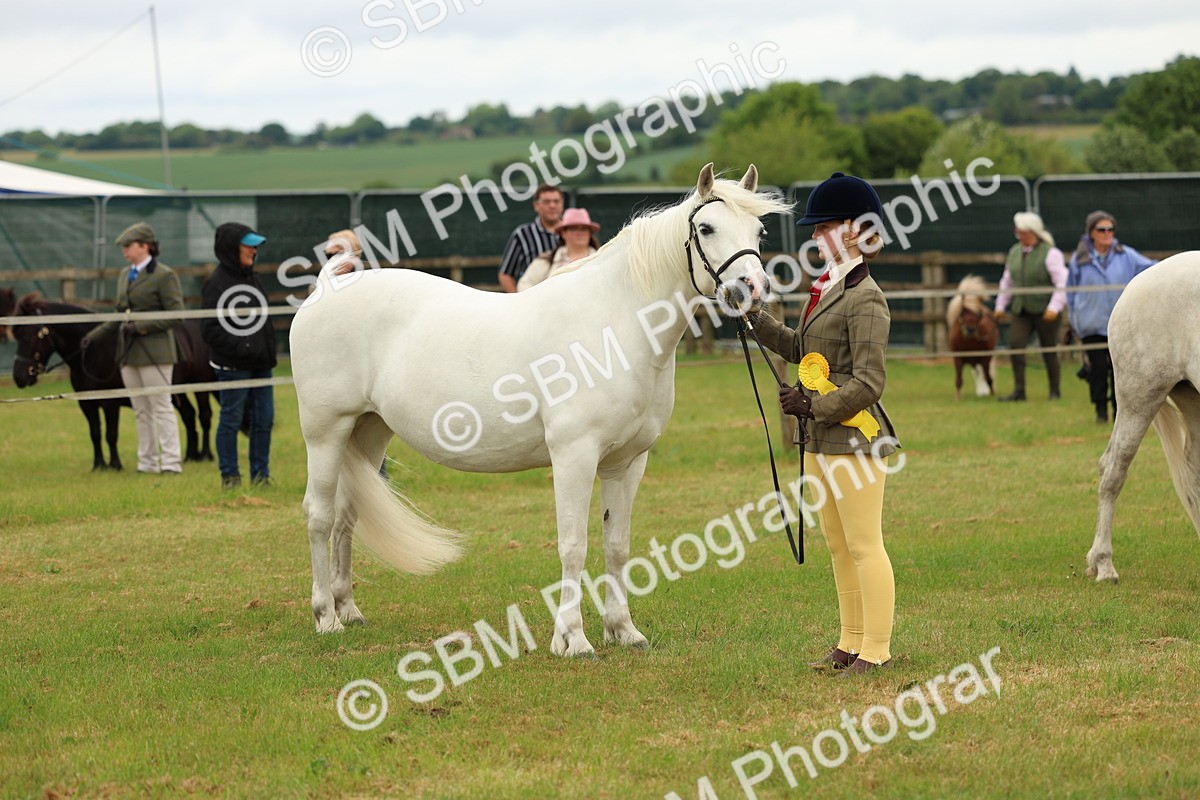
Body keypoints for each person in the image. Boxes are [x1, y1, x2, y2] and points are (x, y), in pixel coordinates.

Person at [752, 172, 900, 676]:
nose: (815, 236)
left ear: (855, 230)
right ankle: (848, 642)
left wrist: (811, 406)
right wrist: (754, 317)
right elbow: (804, 351)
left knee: (863, 543)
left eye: (824, 227)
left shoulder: (867, 296)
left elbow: (869, 381)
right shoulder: (826, 288)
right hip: (818, 437)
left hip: (854, 436)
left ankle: (876, 649)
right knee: (837, 543)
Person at [83, 222, 184, 474]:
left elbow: (177, 314)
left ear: (145, 246)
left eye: (129, 246)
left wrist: (140, 326)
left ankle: (171, 462)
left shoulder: (164, 275)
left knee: (161, 406)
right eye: (124, 247)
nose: (125, 251)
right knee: (140, 409)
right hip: (128, 352)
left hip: (156, 351)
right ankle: (147, 462)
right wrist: (94, 336)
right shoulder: (123, 275)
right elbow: (120, 313)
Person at [201, 222, 276, 490]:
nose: (254, 251)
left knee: (264, 420)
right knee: (231, 420)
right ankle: (230, 477)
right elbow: (209, 329)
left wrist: (264, 351)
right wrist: (242, 349)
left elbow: (262, 323)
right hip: (233, 367)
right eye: (249, 245)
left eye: (256, 246)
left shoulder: (253, 278)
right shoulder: (216, 283)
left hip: (261, 365)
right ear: (232, 248)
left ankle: (260, 476)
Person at [1067, 210, 1156, 423]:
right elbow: (1070, 292)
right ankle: (1100, 411)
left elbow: (1151, 268)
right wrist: (1075, 322)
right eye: (1101, 229)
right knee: (1097, 370)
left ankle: (1119, 414)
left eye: (1110, 229)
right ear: (1091, 233)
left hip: (1122, 325)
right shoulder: (1079, 260)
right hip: (1092, 324)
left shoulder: (1126, 254)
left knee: (1120, 372)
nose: (1107, 233)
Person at [994, 212, 1067, 402]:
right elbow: (1007, 282)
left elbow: (1062, 282)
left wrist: (1054, 308)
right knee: (1015, 344)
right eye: (1018, 233)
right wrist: (1000, 306)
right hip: (1022, 309)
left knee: (1049, 349)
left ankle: (1054, 390)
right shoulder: (1014, 253)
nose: (1020, 237)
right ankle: (1019, 390)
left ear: (1034, 232)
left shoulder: (1051, 253)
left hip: (1045, 310)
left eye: (1023, 233)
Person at [498, 184, 563, 292]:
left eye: (556, 201)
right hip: (534, 299)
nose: (552, 206)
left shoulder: (577, 233)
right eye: (546, 202)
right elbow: (505, 275)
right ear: (536, 206)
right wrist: (520, 301)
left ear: (562, 205)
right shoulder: (522, 234)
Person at [516, 207, 600, 291]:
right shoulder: (547, 260)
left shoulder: (600, 260)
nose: (580, 233)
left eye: (584, 229)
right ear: (563, 233)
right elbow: (525, 284)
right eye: (574, 228)